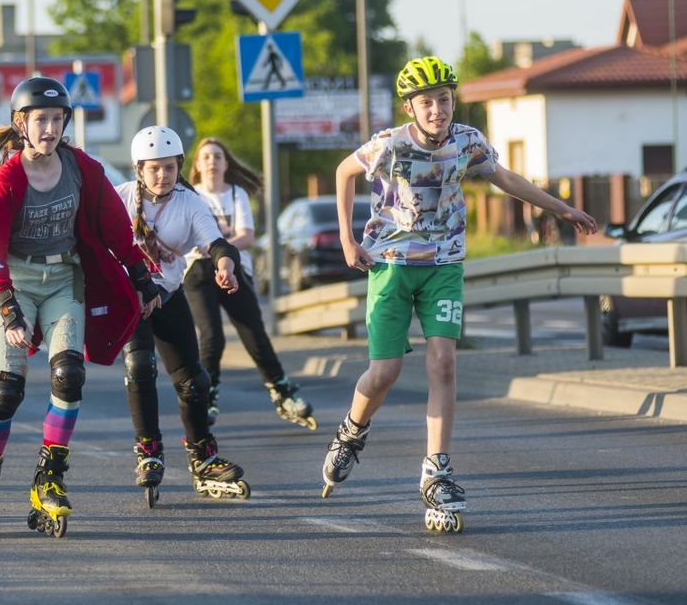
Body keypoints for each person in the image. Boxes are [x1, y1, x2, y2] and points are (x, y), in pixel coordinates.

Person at [322, 56, 598, 533]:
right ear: (411, 107)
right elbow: (344, 173)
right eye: (426, 102)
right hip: (389, 265)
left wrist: (562, 209)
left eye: (444, 100)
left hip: (444, 265)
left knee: (444, 362)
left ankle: (437, 469)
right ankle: (351, 432)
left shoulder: (468, 142)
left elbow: (506, 178)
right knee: (385, 372)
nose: (437, 110)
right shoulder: (388, 145)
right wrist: (348, 240)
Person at [0, 76, 158, 539]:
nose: (49, 128)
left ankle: (49, 478)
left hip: (65, 278)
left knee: (69, 375)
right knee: (8, 389)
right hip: (16, 282)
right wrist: (8, 307)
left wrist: (140, 278)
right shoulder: (8, 177)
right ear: (20, 124)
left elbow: (114, 226)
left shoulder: (81, 167)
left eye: (56, 119)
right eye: (40, 120)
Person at [115, 126, 251, 505]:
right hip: (132, 299)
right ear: (139, 169)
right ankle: (149, 451)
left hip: (169, 295)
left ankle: (203, 456)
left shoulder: (189, 202)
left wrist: (225, 266)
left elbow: (218, 243)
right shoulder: (121, 198)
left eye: (170, 168)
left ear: (179, 167)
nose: (162, 176)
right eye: (154, 169)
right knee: (140, 367)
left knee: (194, 382)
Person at [183, 137, 316, 429]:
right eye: (205, 157)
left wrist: (218, 244)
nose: (212, 162)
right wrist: (220, 241)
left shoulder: (236, 194)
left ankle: (283, 392)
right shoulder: (191, 196)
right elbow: (191, 237)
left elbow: (247, 236)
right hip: (199, 271)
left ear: (226, 163)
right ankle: (208, 397)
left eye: (217, 156)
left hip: (234, 268)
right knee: (212, 336)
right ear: (197, 165)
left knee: (254, 334)